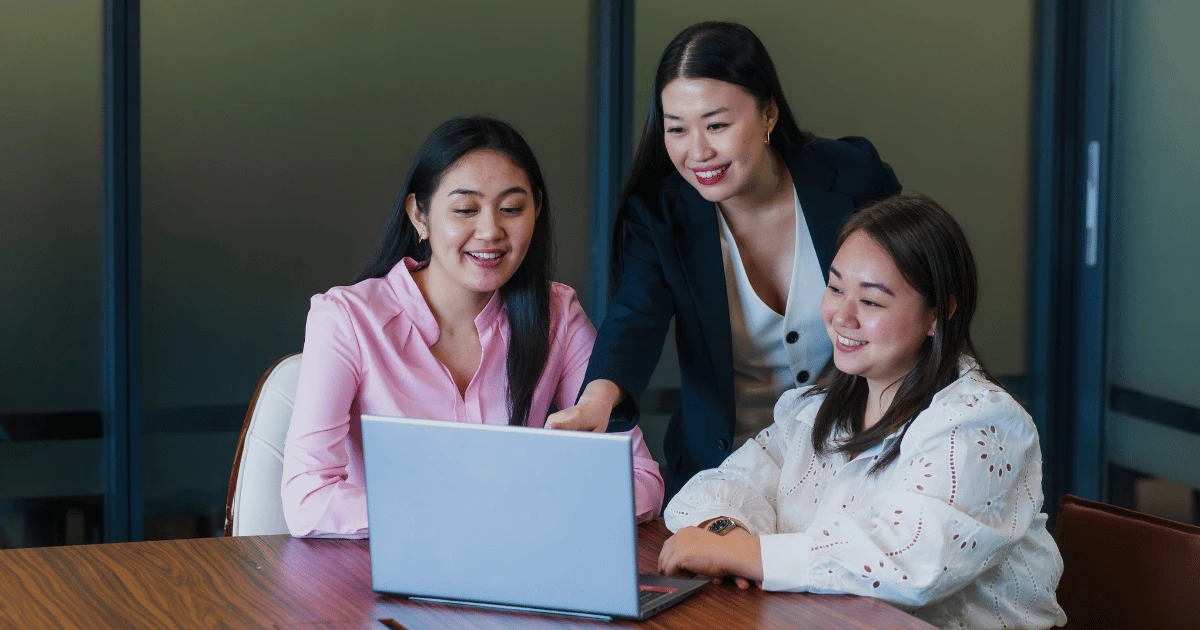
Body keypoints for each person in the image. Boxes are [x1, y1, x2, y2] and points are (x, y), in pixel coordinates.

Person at [657, 193, 1067, 629]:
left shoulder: (980, 421)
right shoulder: (820, 408)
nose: (840, 316)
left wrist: (750, 556)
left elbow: (909, 560)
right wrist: (729, 534)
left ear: (939, 315)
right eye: (835, 288)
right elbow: (717, 487)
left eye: (871, 302)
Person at [547, 22, 901, 499]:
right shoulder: (659, 215)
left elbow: (915, 290)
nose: (698, 152)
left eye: (717, 125)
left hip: (863, 462)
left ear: (769, 113)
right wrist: (595, 402)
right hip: (725, 471)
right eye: (676, 130)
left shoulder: (852, 177)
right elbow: (635, 317)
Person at [281, 116, 664, 538]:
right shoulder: (347, 320)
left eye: (512, 209)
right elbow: (308, 499)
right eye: (465, 210)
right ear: (419, 216)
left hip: (518, 578)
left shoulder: (557, 314)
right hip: (376, 578)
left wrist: (537, 507)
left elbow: (641, 477)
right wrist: (468, 512)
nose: (490, 231)